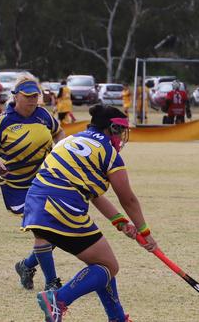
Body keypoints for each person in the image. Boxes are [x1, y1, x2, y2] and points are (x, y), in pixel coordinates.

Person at [23, 104, 157, 322]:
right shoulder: (108, 152)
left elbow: (94, 195)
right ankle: (57, 299)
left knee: (102, 264)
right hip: (62, 206)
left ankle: (117, 318)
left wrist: (121, 223)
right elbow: (128, 199)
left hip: (36, 203)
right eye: (121, 131)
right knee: (108, 266)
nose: (122, 137)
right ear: (112, 129)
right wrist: (145, 232)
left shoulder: (71, 139)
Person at [0, 76, 65, 291]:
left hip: (45, 182)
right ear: (16, 97)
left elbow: (59, 132)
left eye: (36, 96)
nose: (33, 100)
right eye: (28, 97)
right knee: (43, 232)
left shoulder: (43, 115)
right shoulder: (3, 121)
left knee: (58, 232)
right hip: (18, 187)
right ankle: (52, 282)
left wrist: (61, 151)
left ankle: (26, 266)